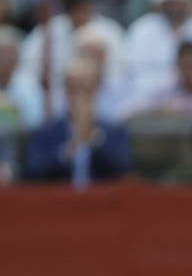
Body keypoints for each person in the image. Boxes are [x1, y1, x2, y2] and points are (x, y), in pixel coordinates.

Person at [25, 57, 131, 186]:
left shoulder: (114, 131)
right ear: (66, 90)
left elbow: (123, 170)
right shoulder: (48, 131)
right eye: (73, 88)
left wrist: (94, 141)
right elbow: (33, 173)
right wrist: (68, 150)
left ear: (97, 88)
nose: (80, 95)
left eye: (86, 88)